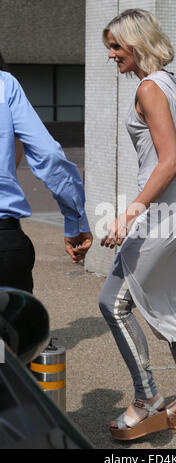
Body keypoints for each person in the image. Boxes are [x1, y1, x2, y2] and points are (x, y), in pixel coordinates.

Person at [99, 9, 176, 441]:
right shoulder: (173, 83)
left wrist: (128, 213)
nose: (111, 55)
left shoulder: (149, 87)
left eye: (116, 46)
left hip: (159, 217)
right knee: (166, 304)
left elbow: (170, 162)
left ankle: (147, 401)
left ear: (137, 44)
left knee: (114, 303)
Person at [0, 65, 93, 293]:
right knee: (15, 327)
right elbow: (49, 155)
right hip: (5, 242)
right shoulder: (5, 84)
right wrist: (75, 220)